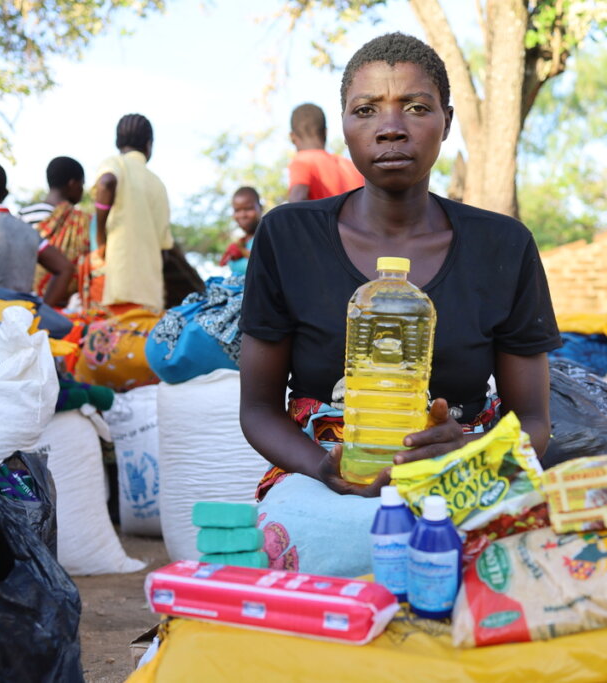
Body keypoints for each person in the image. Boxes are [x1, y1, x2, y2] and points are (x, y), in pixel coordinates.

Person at [239, 33, 560, 574]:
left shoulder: (503, 246)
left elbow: (532, 421)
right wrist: (325, 468)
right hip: (324, 479)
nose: (391, 127)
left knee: (515, 562)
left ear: (447, 121)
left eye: (416, 107)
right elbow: (258, 410)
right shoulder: (288, 237)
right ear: (344, 124)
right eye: (366, 110)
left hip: (462, 474)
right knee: (314, 544)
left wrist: (464, 450)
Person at [0, 160, 75, 307]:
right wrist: (42, 309)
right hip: (23, 314)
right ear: (5, 194)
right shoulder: (27, 229)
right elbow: (65, 268)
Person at [93, 114, 173, 313]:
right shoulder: (158, 184)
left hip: (120, 284)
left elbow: (106, 182)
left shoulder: (116, 163)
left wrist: (101, 238)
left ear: (117, 142)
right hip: (151, 293)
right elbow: (164, 247)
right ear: (149, 145)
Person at [19, 156, 92, 304]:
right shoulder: (83, 222)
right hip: (67, 305)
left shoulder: (22, 216)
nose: (82, 190)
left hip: (24, 301)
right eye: (82, 184)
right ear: (72, 184)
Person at [287, 103, 364, 202]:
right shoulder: (352, 167)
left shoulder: (302, 162)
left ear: (292, 137)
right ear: (325, 132)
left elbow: (297, 199)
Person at [219, 187, 262, 276]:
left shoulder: (269, 237)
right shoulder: (239, 244)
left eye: (248, 208)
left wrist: (242, 250)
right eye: (237, 210)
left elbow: (263, 264)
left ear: (260, 208)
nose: (242, 215)